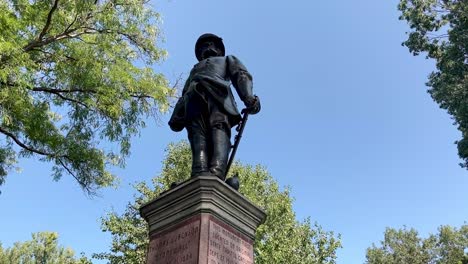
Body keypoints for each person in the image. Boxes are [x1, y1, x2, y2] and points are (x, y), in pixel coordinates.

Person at [169, 33, 260, 183]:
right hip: (193, 98)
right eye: (204, 45)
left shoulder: (227, 60)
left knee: (219, 129)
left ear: (219, 49)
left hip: (219, 97)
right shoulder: (194, 70)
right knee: (197, 135)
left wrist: (248, 97)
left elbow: (241, 75)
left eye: (212, 44)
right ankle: (198, 172)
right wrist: (177, 114)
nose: (208, 47)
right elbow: (184, 92)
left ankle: (217, 172)